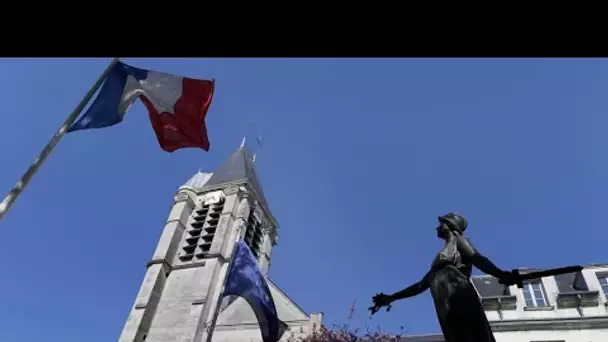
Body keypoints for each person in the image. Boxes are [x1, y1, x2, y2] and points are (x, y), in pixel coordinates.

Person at [369, 213, 518, 342]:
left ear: (450, 225)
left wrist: (500, 274)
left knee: (468, 334)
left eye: (441, 224)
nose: (437, 228)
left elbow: (477, 258)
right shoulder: (438, 269)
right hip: (444, 301)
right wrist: (391, 297)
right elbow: (419, 286)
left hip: (458, 292)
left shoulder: (459, 241)